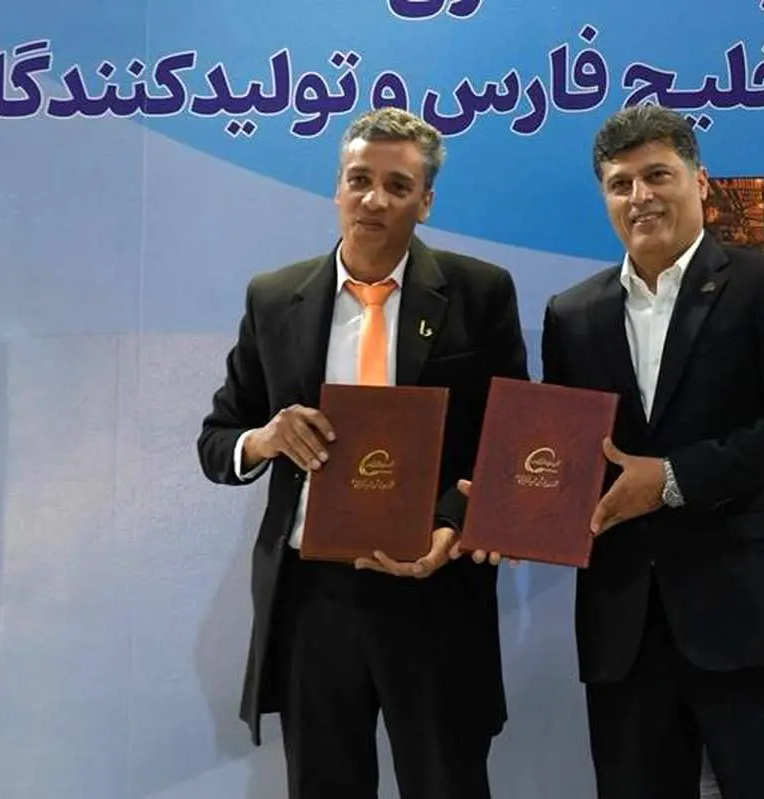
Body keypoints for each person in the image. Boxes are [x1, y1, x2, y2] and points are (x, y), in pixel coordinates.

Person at [459, 104, 764, 797]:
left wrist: (672, 477)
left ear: (700, 181)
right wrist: (510, 509)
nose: (640, 196)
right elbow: (571, 450)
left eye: (657, 175)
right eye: (620, 184)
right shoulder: (573, 313)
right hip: (625, 630)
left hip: (748, 619)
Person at [196, 107, 529, 799]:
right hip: (313, 595)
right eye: (360, 180)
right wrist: (267, 437)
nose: (375, 199)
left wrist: (452, 524)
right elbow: (218, 439)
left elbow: (509, 443)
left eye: (397, 186)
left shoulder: (480, 292)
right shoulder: (274, 299)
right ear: (337, 188)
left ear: (425, 201)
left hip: (434, 587)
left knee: (447, 783)